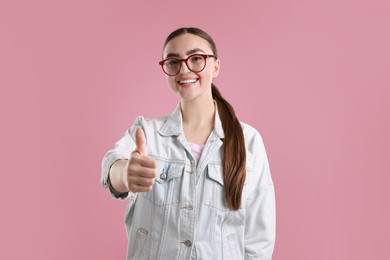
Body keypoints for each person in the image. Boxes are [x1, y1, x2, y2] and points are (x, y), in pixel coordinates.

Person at [101, 27, 276, 260]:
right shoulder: (148, 133)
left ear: (215, 66)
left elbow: (259, 238)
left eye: (196, 58)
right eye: (173, 62)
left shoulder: (249, 140)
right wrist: (125, 174)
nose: (184, 69)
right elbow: (112, 165)